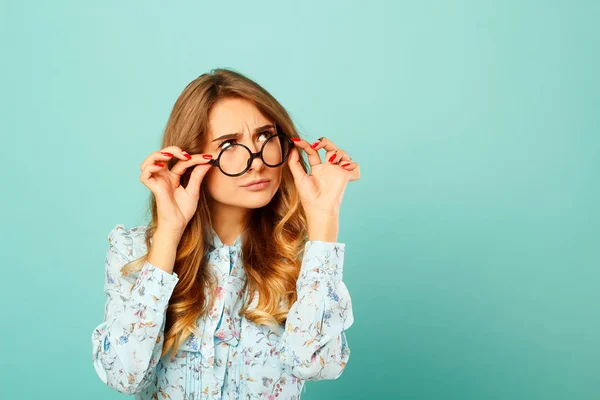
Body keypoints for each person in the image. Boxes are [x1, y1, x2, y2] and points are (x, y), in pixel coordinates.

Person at [90, 68, 360, 399]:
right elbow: (123, 375)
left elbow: (318, 365)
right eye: (229, 144)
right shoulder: (133, 250)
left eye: (264, 137)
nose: (257, 162)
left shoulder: (302, 258)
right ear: (192, 158)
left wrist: (324, 218)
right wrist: (168, 235)